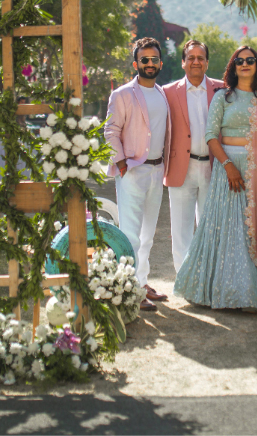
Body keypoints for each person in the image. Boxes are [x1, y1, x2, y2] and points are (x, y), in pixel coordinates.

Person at [174, 46, 257, 309]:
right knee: (228, 229)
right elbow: (210, 135)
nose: (245, 64)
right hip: (226, 169)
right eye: (240, 60)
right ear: (233, 66)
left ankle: (250, 290)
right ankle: (224, 291)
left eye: (250, 60)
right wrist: (229, 166)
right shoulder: (223, 97)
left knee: (251, 227)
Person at [104, 37, 171, 312]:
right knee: (131, 234)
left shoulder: (163, 94)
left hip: (157, 169)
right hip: (132, 171)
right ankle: (130, 290)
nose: (150, 63)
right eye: (144, 59)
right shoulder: (122, 94)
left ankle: (142, 283)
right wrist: (121, 164)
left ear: (160, 63)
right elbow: (110, 131)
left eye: (154, 59)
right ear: (136, 64)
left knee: (148, 235)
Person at [162, 39, 225, 272]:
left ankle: (208, 280)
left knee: (211, 229)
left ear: (207, 63)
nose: (195, 62)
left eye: (200, 58)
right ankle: (183, 280)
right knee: (181, 231)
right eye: (191, 57)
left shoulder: (222, 89)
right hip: (182, 168)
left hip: (213, 168)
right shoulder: (168, 92)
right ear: (183, 62)